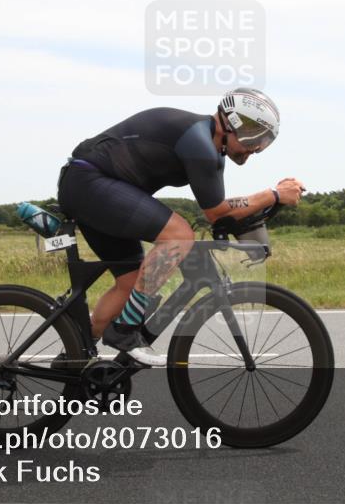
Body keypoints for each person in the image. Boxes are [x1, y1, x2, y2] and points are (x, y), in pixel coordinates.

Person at [57, 88, 305, 365]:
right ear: (230, 122)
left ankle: (74, 356)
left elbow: (222, 212)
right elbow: (217, 212)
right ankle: (125, 330)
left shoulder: (212, 151)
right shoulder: (199, 143)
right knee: (179, 234)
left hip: (95, 188)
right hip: (89, 182)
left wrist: (266, 207)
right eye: (253, 136)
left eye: (263, 141)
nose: (256, 148)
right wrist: (274, 194)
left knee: (130, 284)